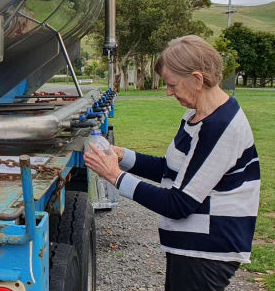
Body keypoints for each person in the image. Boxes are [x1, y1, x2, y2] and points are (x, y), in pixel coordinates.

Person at [84, 35, 260, 291]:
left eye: (173, 85)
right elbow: (171, 169)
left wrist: (115, 176)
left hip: (206, 252)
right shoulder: (198, 115)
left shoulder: (220, 127)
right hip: (193, 248)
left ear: (197, 80)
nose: (168, 92)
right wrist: (122, 155)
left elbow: (179, 204)